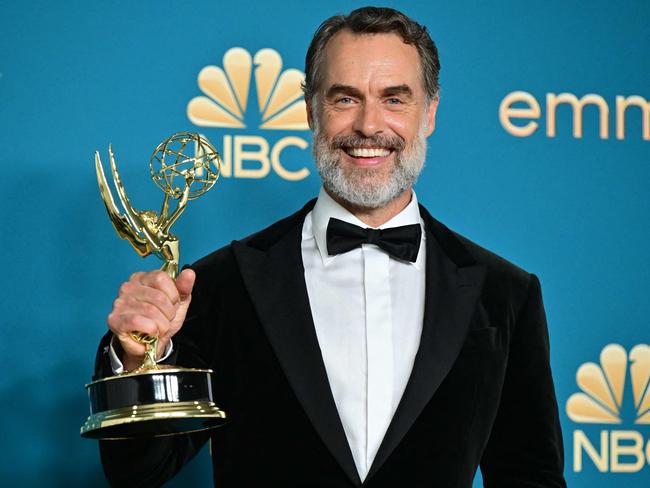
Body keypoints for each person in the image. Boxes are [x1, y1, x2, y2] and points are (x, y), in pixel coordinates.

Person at [95, 6, 567, 487]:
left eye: (394, 100)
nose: (368, 125)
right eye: (345, 98)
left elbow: (531, 475)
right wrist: (136, 359)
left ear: (430, 113)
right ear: (310, 110)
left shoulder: (505, 293)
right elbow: (139, 469)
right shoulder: (221, 283)